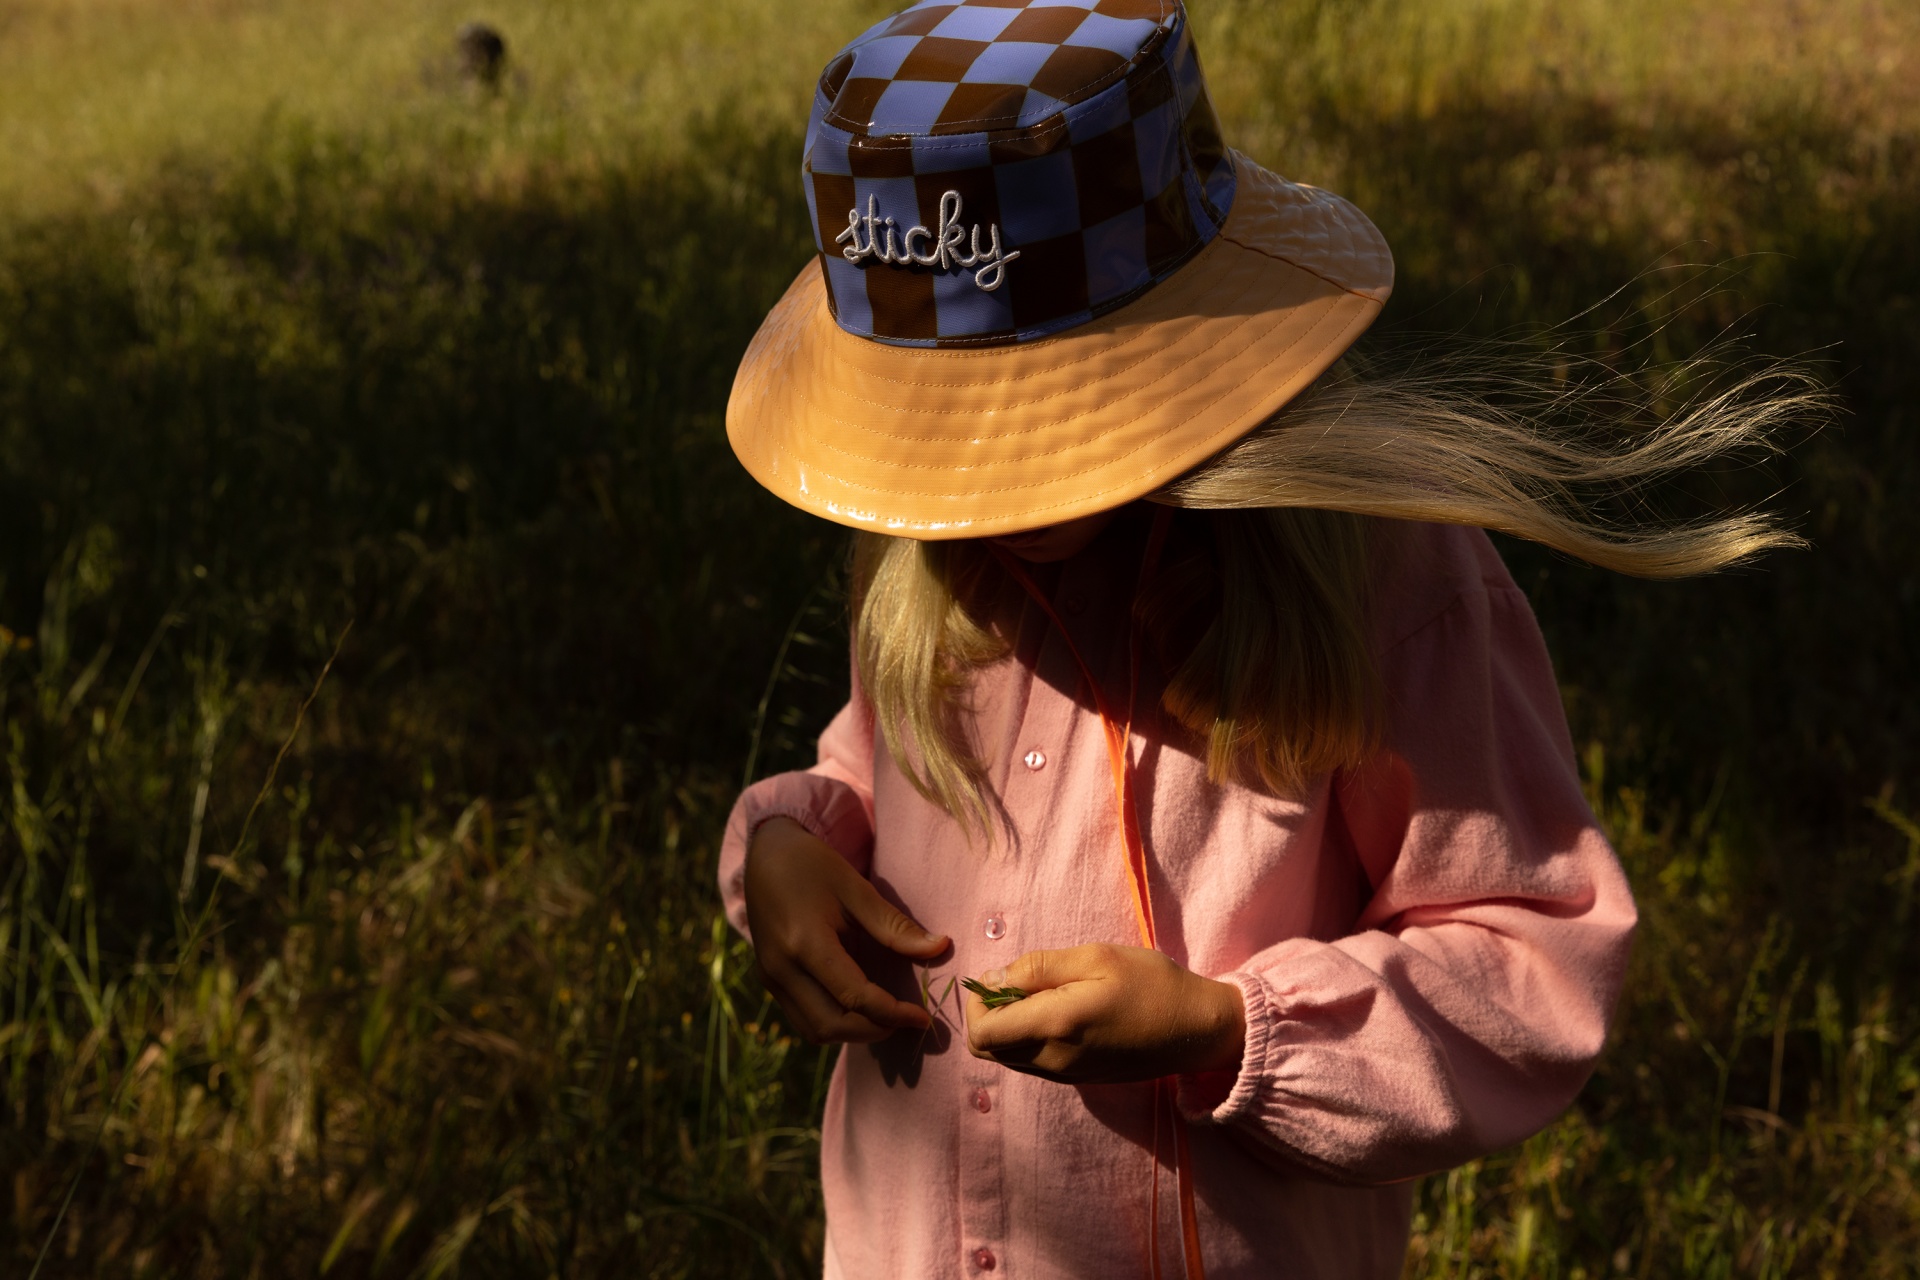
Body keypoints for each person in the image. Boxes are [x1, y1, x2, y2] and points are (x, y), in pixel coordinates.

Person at [717, 1, 1812, 1275]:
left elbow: (1533, 960)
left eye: (1029, 419)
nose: (987, 483)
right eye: (938, 428)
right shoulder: (930, 559)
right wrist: (791, 844)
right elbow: (877, 771)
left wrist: (1225, 1027)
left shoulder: (1378, 582)